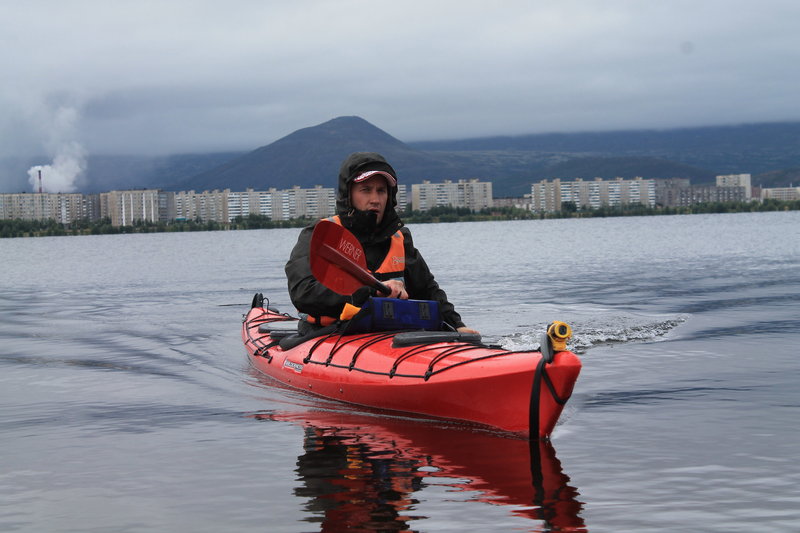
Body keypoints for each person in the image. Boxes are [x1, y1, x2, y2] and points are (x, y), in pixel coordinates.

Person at [285, 151, 479, 336]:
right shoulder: (320, 234)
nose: (375, 199)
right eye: (366, 190)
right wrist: (371, 292)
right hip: (328, 333)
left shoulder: (400, 239)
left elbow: (428, 290)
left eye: (381, 191)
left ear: (390, 196)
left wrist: (457, 325)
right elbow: (303, 293)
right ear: (348, 194)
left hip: (385, 334)